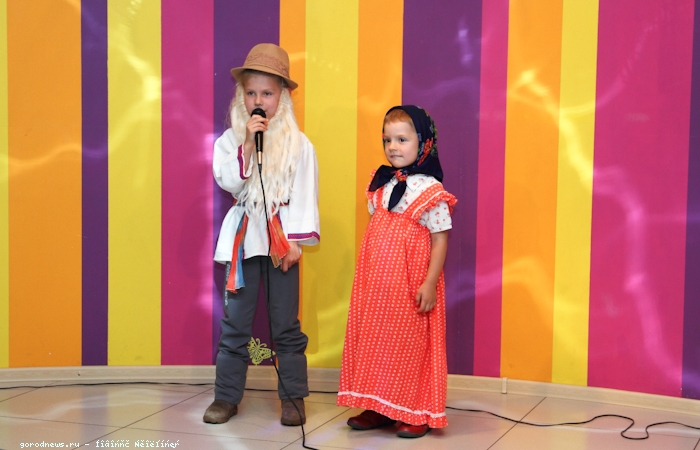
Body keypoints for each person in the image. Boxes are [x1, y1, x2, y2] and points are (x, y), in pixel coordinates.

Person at [204, 43, 320, 427]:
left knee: (285, 323)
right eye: (251, 93)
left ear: (282, 96)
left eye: (267, 93)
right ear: (242, 96)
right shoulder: (229, 141)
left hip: (282, 243)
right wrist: (247, 146)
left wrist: (295, 243)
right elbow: (229, 181)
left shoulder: (299, 145)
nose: (258, 101)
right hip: (244, 239)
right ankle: (226, 397)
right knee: (236, 322)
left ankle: (293, 398)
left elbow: (305, 194)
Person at [337, 105, 456, 438]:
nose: (393, 147)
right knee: (377, 340)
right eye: (387, 140)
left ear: (424, 143)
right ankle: (379, 405)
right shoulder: (382, 185)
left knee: (410, 345)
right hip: (378, 284)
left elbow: (440, 240)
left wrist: (429, 283)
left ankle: (417, 410)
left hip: (410, 282)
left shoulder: (430, 191)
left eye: (402, 139)